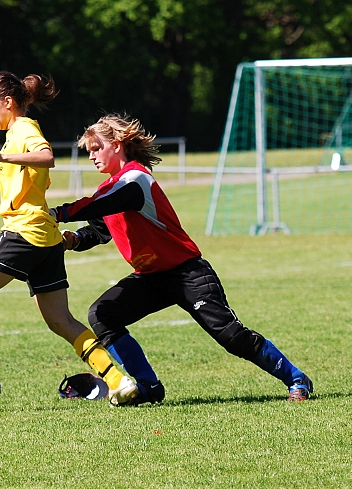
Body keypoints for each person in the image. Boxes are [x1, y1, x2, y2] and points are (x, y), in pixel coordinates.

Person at [50, 114, 314, 405]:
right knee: (103, 314)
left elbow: (103, 204)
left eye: (96, 148)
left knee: (231, 337)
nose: (91, 156)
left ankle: (297, 379)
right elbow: (99, 229)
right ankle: (148, 387)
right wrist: (74, 240)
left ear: (116, 145)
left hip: (187, 272)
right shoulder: (110, 189)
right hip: (151, 278)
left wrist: (58, 213)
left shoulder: (135, 179)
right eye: (88, 151)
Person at [0, 72, 138, 406]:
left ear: (8, 102)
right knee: (60, 321)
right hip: (46, 238)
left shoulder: (24, 128)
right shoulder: (15, 133)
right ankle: (118, 380)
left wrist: (1, 157)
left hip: (24, 232)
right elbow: (30, 174)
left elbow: (46, 157)